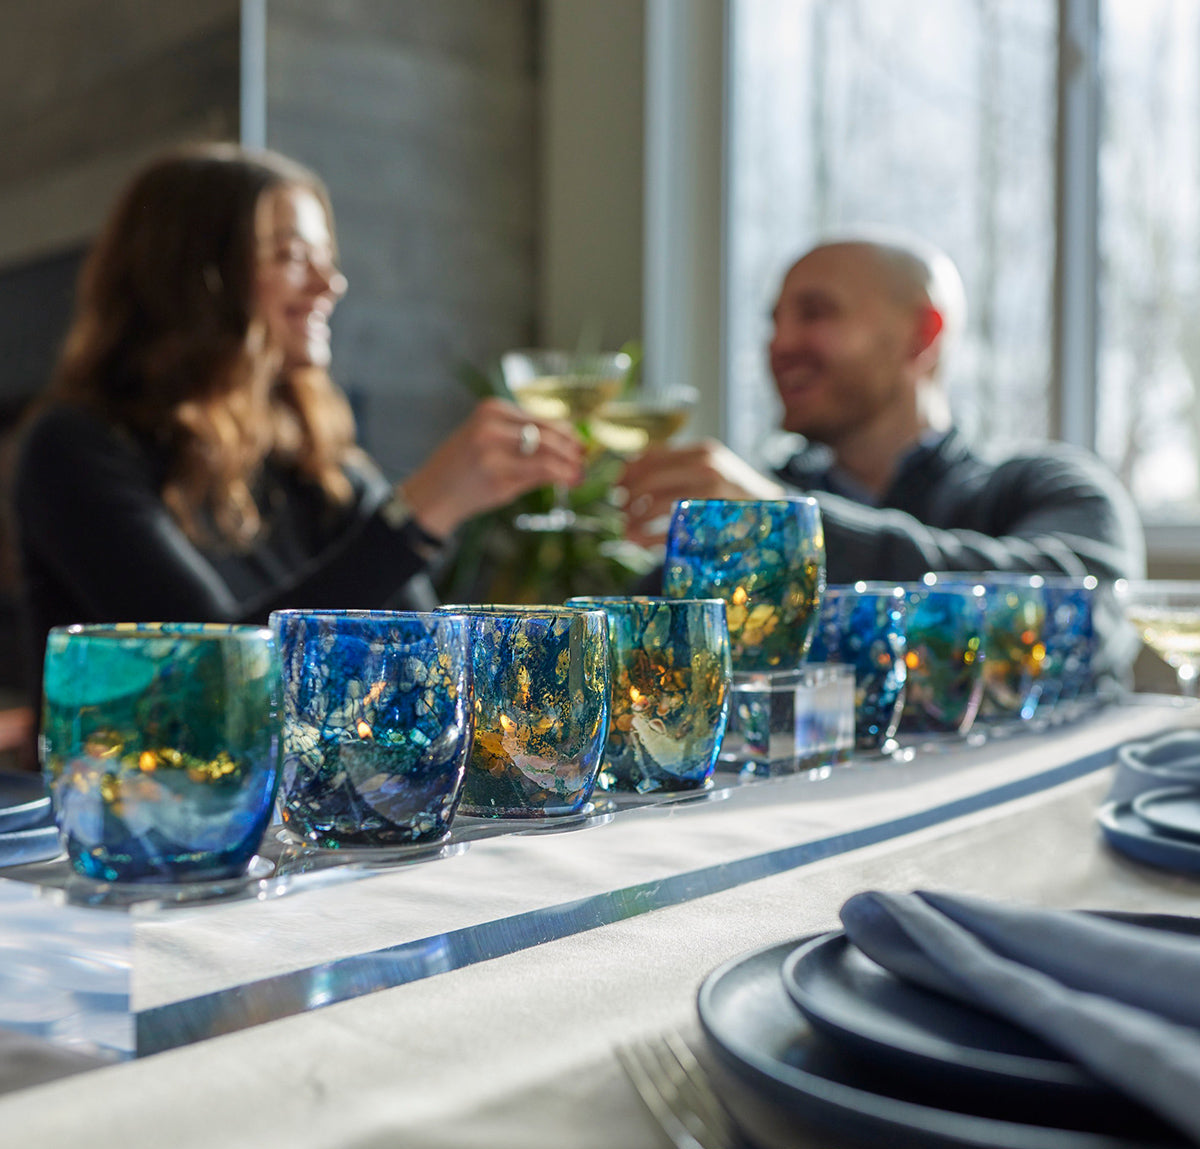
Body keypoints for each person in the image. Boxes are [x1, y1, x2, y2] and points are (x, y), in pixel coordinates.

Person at [14, 143, 582, 696]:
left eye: (325, 259)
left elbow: (431, 660)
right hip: (140, 791)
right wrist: (420, 514)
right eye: (290, 257)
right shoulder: (74, 447)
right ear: (192, 280)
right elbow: (216, 678)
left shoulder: (318, 461)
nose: (328, 286)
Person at [619, 233, 1145, 593]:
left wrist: (786, 527)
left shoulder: (1046, 488)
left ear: (924, 333)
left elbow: (1081, 609)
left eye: (815, 313)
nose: (778, 344)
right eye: (775, 321)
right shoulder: (738, 511)